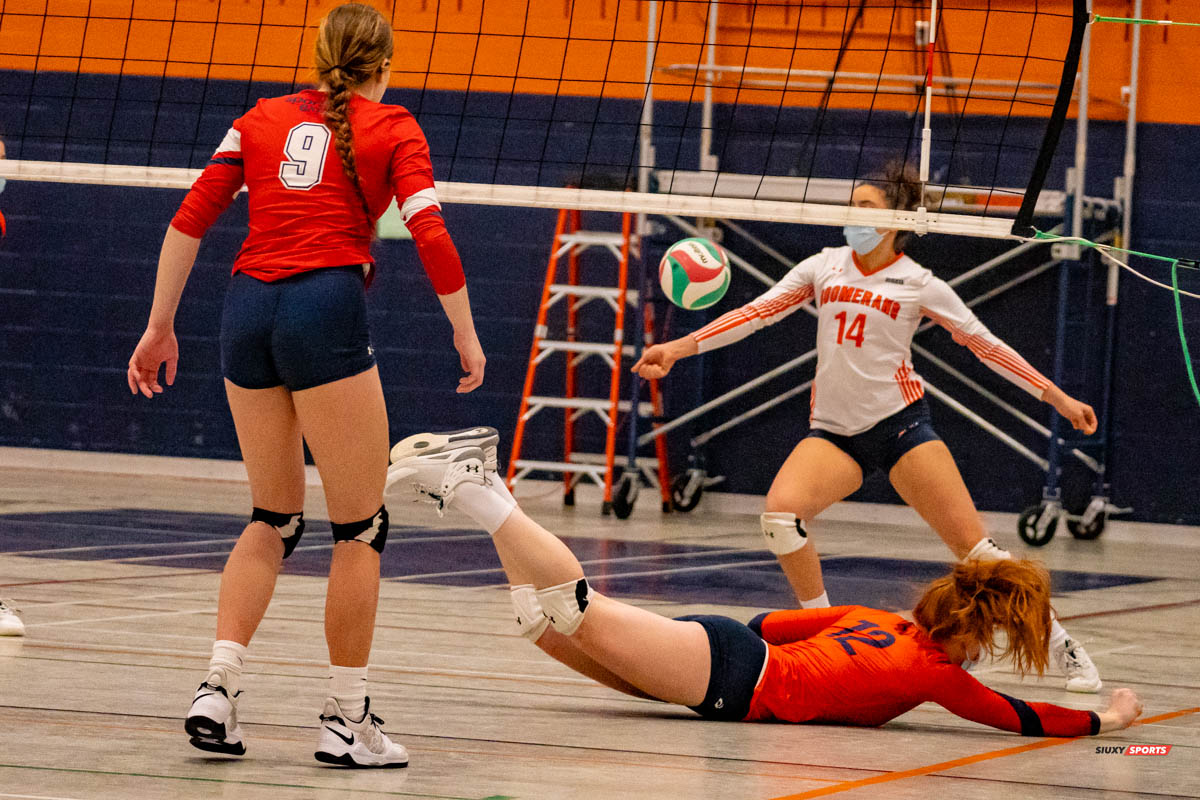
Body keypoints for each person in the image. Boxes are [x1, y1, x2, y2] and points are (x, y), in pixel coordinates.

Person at [127, 3, 485, 767]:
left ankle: (216, 690)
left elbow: (189, 220)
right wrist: (464, 330)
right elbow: (431, 233)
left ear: (318, 54)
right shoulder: (396, 128)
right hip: (324, 305)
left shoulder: (256, 117)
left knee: (274, 516)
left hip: (245, 307)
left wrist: (159, 326)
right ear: (385, 65)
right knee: (359, 529)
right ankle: (347, 720)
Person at [631, 162, 1103, 692]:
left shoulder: (919, 284)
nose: (853, 214)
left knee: (978, 555)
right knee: (781, 516)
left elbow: (986, 345)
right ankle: (827, 632)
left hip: (901, 428)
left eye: (867, 206)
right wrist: (676, 347)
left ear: (898, 218)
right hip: (834, 435)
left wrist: (1058, 397)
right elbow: (756, 313)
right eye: (852, 203)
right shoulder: (824, 266)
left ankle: (1064, 647)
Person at [383, 431, 1143, 736]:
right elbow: (1020, 717)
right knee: (570, 609)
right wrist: (1111, 719)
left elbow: (772, 624)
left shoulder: (876, 620)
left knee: (543, 622)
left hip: (727, 651)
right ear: (972, 634)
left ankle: (477, 481)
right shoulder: (931, 671)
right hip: (734, 679)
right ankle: (473, 487)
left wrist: (690, 645)